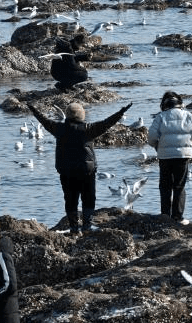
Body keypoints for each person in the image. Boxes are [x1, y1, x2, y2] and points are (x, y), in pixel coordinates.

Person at [28, 100, 131, 234]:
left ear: (67, 114)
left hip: (66, 172)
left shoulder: (59, 129)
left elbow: (45, 121)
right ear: (82, 115)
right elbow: (107, 123)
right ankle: (87, 226)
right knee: (89, 197)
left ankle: (74, 228)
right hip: (86, 171)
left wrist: (34, 110)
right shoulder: (88, 129)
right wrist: (121, 112)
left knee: (70, 199)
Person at [146, 91, 192, 224]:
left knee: (165, 186)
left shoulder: (160, 117)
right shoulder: (189, 116)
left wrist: (157, 147)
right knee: (179, 186)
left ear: (164, 104)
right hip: (183, 156)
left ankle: (165, 216)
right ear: (180, 104)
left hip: (165, 157)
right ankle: (178, 217)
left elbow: (151, 137)